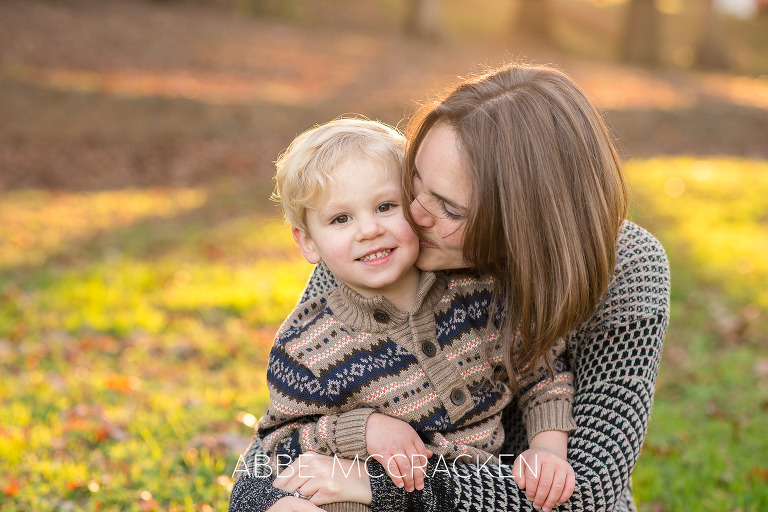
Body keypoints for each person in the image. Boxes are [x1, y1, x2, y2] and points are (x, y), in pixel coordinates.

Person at [230, 63, 670, 512]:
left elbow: (587, 494)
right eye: (414, 182)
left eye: (450, 208)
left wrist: (377, 486)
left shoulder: (628, 268)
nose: (414, 214)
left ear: (521, 222)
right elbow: (264, 470)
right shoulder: (377, 258)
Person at [253, 117, 578, 512]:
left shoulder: (480, 296)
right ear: (307, 242)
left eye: (386, 206)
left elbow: (541, 371)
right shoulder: (305, 344)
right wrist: (364, 429)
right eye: (341, 219)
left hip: (468, 494)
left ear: (415, 206)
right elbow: (278, 444)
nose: (369, 230)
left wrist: (547, 450)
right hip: (355, 495)